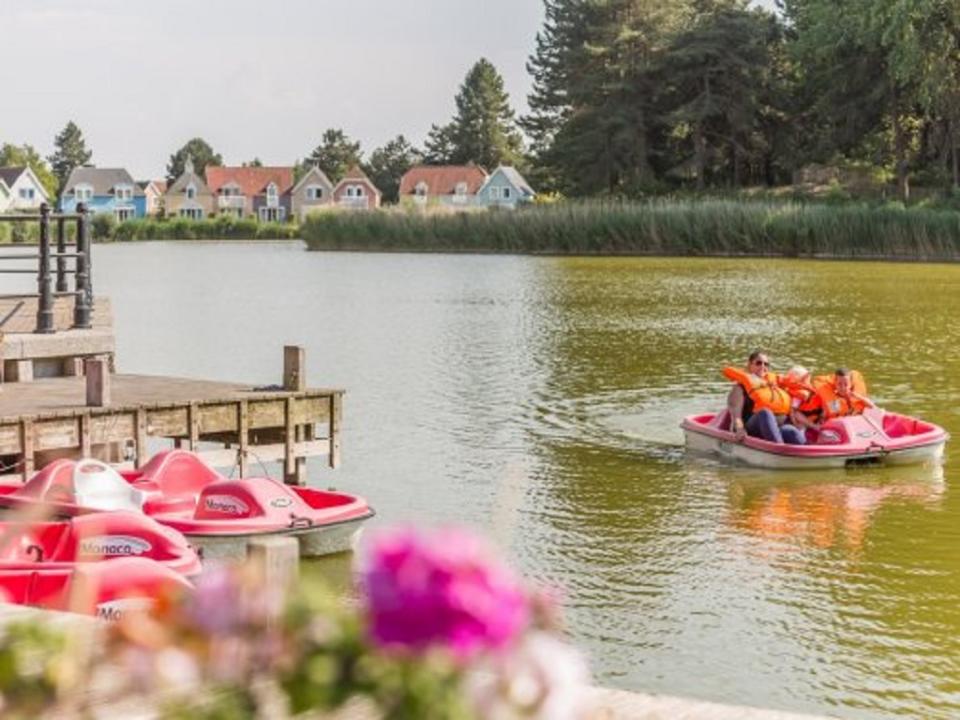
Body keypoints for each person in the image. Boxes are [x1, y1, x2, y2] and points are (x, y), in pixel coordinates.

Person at [723, 351, 806, 444]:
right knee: (765, 413)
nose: (763, 366)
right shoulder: (740, 387)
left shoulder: (774, 384)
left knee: (792, 432)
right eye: (758, 363)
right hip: (754, 427)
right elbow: (735, 413)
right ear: (749, 365)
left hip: (778, 427)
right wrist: (739, 428)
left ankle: (805, 451)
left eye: (766, 364)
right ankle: (778, 448)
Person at [809, 367, 875, 420]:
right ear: (835, 383)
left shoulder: (856, 395)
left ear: (851, 384)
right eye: (839, 384)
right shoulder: (833, 400)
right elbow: (834, 416)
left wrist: (859, 397)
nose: (843, 388)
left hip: (856, 422)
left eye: (846, 384)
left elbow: (872, 406)